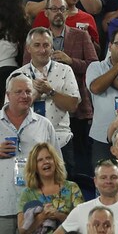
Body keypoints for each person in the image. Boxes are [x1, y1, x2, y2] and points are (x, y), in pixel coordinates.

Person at [0, 75, 59, 232]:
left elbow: (58, 165)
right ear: (8, 95)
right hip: (2, 205)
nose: (24, 96)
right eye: (18, 91)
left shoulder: (44, 124)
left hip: (37, 206)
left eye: (28, 91)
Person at [17, 27, 80, 173]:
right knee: (29, 186)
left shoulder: (65, 70)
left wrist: (50, 92)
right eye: (37, 45)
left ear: (52, 48)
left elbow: (73, 106)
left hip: (60, 141)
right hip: (27, 144)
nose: (42, 50)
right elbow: (12, 114)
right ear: (28, 48)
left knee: (64, 186)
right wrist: (35, 95)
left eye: (46, 45)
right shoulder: (18, 76)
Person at [85, 28, 118, 164]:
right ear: (110, 46)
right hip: (102, 135)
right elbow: (96, 88)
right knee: (104, 175)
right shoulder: (96, 67)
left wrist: (117, 84)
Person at [15, 141, 82, 234]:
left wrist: (57, 215)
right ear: (34, 166)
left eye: (49, 158)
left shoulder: (72, 188)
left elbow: (81, 222)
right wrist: (42, 216)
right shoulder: (27, 193)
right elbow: (22, 231)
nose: (46, 162)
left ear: (55, 161)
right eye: (40, 160)